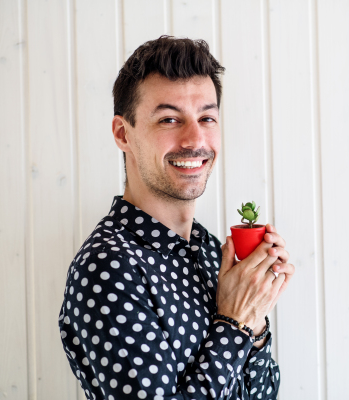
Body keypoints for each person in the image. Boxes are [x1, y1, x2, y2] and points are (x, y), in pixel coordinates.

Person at [58, 36, 295, 400]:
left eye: (207, 117)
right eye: (169, 119)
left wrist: (255, 314)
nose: (195, 138)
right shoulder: (108, 267)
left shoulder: (211, 249)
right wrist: (233, 322)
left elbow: (261, 394)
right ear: (124, 134)